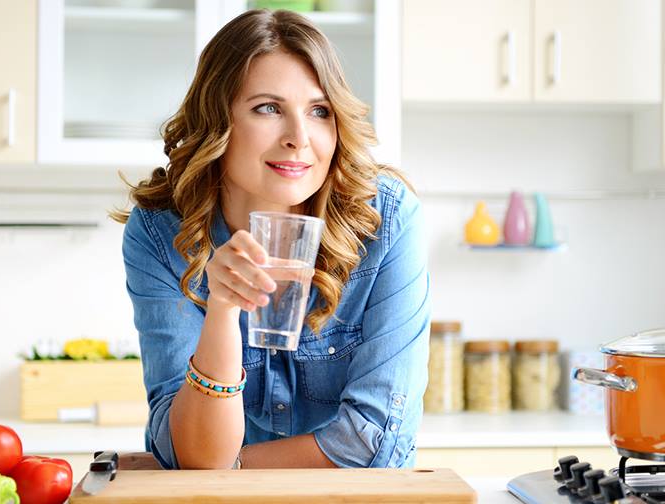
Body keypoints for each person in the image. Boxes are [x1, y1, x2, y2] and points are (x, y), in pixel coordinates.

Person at [111, 9, 430, 470]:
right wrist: (221, 309)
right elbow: (192, 455)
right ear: (218, 120)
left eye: (319, 112)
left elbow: (373, 441)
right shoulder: (163, 232)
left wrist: (232, 470)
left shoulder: (385, 219)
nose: (299, 138)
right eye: (268, 108)